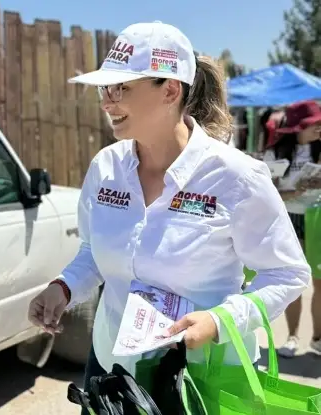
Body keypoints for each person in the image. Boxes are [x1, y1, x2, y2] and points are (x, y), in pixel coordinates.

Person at [27, 21, 311, 415]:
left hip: (199, 381)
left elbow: (288, 274)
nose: (107, 102)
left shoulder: (235, 176)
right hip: (111, 370)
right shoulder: (105, 167)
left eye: (120, 88)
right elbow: (95, 251)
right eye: (103, 89)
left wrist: (220, 320)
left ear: (171, 91)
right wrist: (64, 287)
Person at [262, 100, 321, 357]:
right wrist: (296, 190)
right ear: (297, 127)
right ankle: (293, 337)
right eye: (314, 124)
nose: (319, 128)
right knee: (293, 282)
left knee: (320, 283)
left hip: (317, 217)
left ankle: (318, 339)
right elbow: (267, 193)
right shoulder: (274, 153)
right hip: (288, 219)